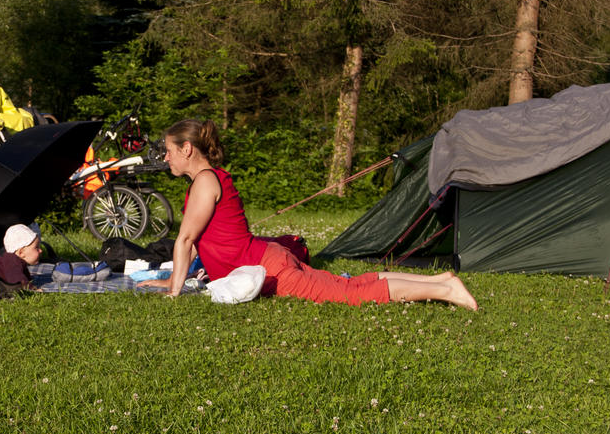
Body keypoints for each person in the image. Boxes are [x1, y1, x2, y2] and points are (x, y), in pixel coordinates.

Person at [138, 119, 478, 310]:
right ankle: (440, 281)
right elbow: (195, 242)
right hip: (268, 259)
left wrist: (174, 292)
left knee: (349, 294)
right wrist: (174, 280)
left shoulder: (204, 181)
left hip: (269, 267)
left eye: (168, 150)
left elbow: (184, 240)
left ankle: (445, 292)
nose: (165, 158)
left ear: (187, 148)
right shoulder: (206, 180)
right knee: (345, 284)